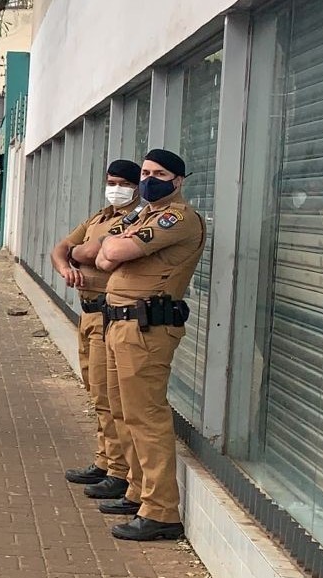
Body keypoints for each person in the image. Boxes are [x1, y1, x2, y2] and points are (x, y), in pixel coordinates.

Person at [93, 148, 206, 541]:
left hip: (146, 329)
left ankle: (161, 512)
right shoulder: (143, 215)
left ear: (178, 180)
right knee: (123, 411)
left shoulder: (178, 218)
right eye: (144, 172)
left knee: (146, 415)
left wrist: (115, 248)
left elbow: (115, 251)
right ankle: (138, 492)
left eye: (158, 173)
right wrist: (112, 248)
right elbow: (100, 257)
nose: (147, 179)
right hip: (120, 324)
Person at [52, 159, 142, 499]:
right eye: (110, 181)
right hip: (88, 313)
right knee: (96, 390)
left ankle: (119, 471)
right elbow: (60, 250)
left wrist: (78, 254)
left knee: (110, 395)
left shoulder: (133, 219)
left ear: (134, 187)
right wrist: (67, 266)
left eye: (121, 182)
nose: (114, 188)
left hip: (111, 314)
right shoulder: (99, 217)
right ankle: (105, 460)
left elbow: (91, 251)